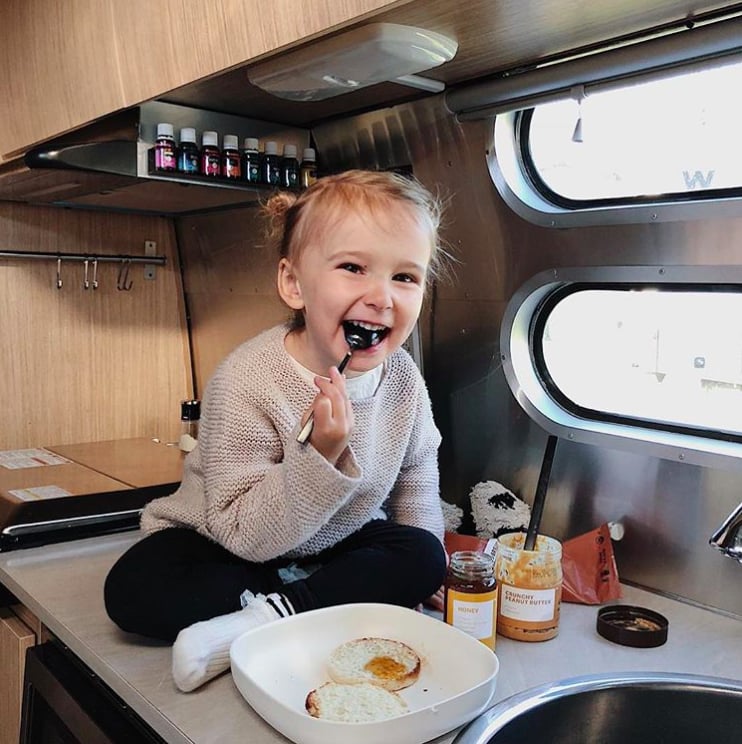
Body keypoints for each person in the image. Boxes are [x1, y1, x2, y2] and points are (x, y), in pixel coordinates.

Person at [104, 169, 451, 692]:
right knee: (133, 592)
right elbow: (245, 533)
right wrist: (320, 454)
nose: (382, 297)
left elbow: (416, 476)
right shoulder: (247, 378)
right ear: (294, 284)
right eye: (354, 268)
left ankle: (265, 618)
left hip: (335, 539)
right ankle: (309, 600)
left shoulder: (402, 379)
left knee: (424, 554)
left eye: (405, 277)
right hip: (225, 541)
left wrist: (424, 574)